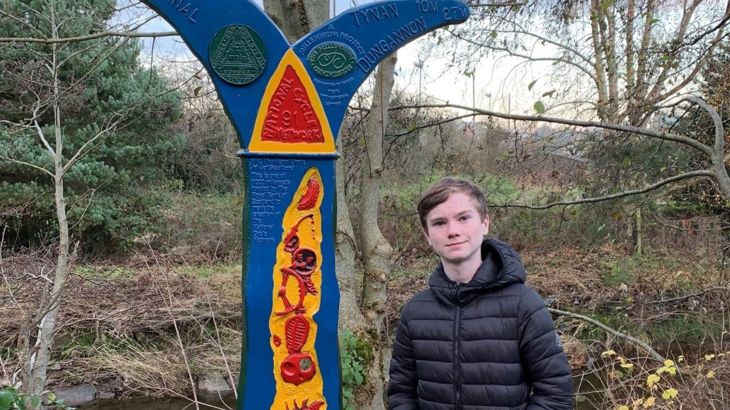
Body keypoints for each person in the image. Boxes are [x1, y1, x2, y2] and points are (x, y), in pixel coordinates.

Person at [388, 177, 573, 409]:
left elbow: (556, 396)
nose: (453, 231)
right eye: (439, 223)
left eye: (463, 218)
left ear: (485, 223)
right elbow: (401, 394)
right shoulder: (415, 312)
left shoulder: (524, 305)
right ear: (427, 235)